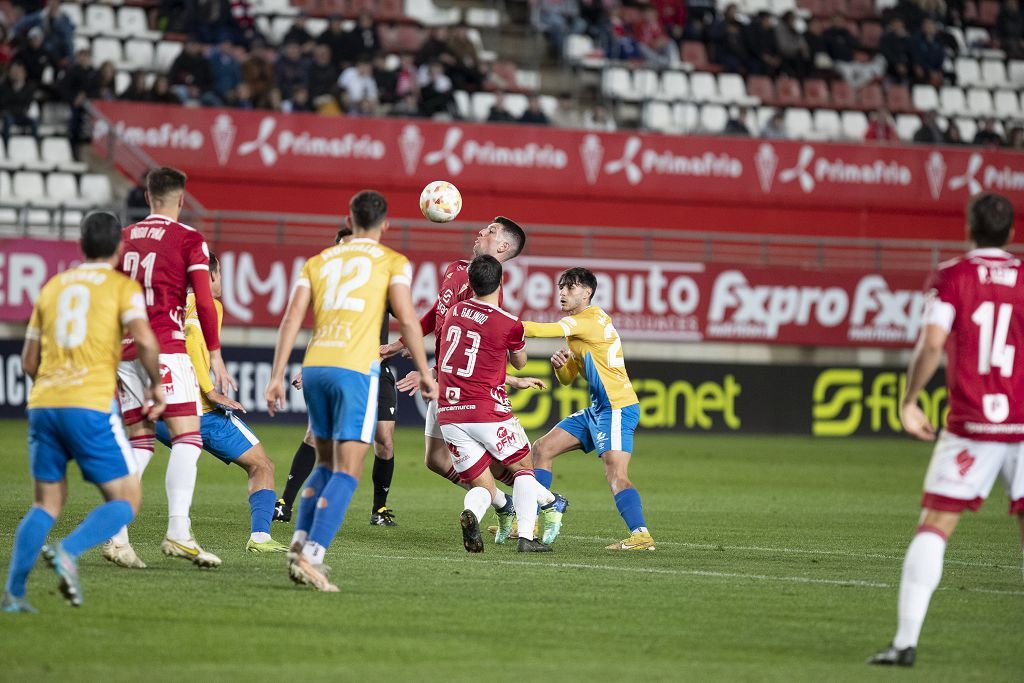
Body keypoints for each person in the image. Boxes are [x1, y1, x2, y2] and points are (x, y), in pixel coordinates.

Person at [868, 193, 1024, 667]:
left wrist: (910, 399)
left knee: (934, 528)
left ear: (967, 228)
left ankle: (904, 643)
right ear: (1012, 233)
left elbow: (933, 342)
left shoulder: (953, 276)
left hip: (972, 424)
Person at [264, 190, 435, 592]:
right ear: (385, 224)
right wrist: (425, 372)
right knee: (347, 470)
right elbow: (408, 321)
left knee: (324, 465)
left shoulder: (319, 261)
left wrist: (276, 375)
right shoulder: (393, 262)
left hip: (317, 368)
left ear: (349, 218)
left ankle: (299, 545)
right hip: (356, 371)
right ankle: (314, 556)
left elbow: (290, 319)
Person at [2, 213, 165, 613]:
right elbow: (144, 340)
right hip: (90, 404)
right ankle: (69, 551)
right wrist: (156, 384)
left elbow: (27, 361)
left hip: (43, 404)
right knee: (127, 498)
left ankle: (14, 594)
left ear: (80, 244)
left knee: (46, 503)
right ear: (119, 248)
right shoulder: (121, 287)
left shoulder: (52, 287)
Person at [107, 166, 235, 569]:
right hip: (165, 347)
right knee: (188, 438)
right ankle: (178, 532)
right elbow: (202, 297)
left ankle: (115, 535)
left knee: (141, 442)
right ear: (181, 199)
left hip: (125, 351)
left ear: (146, 198)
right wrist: (214, 353)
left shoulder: (123, 239)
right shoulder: (189, 240)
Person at [380, 218, 530, 542]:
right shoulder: (455, 269)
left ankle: (531, 503)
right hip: (445, 379)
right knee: (435, 459)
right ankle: (504, 503)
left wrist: (430, 372)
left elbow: (479, 349)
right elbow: (438, 311)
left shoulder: (490, 292)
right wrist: (401, 343)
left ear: (503, 247)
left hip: (457, 386)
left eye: (491, 231)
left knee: (502, 462)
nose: (481, 231)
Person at [153, 253, 287, 553]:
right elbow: (191, 341)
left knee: (165, 461)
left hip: (162, 410)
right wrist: (210, 390)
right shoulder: (210, 306)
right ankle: (260, 537)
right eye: (220, 274)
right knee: (262, 465)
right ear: (210, 276)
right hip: (200, 411)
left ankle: (127, 534)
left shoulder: (173, 307)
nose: (222, 281)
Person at [437, 255, 567, 553]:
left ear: (470, 283)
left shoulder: (455, 310)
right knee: (523, 468)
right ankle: (526, 537)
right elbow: (520, 362)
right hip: (486, 408)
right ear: (501, 282)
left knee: (483, 485)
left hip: (449, 412)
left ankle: (474, 514)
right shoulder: (510, 323)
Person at [274, 228, 403, 527]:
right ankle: (285, 503)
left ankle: (379, 509)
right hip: (336, 365)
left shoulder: (377, 284)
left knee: (384, 439)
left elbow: (409, 319)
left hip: (374, 369)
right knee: (315, 435)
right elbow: (322, 331)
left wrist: (402, 346)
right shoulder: (330, 289)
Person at [522, 268, 654, 551]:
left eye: (571, 287)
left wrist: (499, 323)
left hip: (617, 407)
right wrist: (562, 368)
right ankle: (528, 525)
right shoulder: (580, 325)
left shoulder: (588, 320)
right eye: (561, 287)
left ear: (587, 293)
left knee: (615, 472)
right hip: (598, 409)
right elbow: (568, 380)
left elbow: (542, 330)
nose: (563, 292)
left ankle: (641, 535)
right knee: (542, 449)